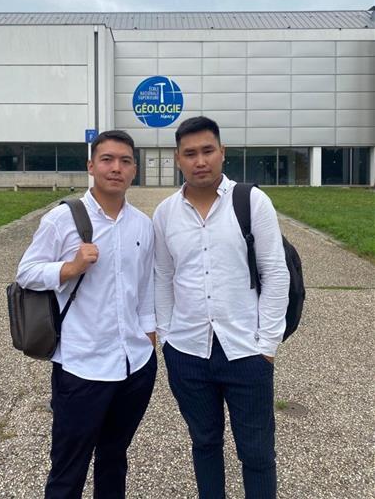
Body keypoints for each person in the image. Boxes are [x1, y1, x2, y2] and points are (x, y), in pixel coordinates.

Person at [153, 116, 289, 499]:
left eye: (207, 151)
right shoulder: (165, 213)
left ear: (222, 152)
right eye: (190, 153)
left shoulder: (252, 201)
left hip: (246, 351)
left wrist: (267, 345)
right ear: (178, 159)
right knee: (205, 443)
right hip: (188, 353)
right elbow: (162, 276)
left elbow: (276, 273)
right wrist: (167, 337)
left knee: (257, 453)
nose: (200, 161)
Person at [17, 130, 157, 499]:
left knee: (114, 458)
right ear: (91, 166)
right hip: (82, 368)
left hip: (134, 366)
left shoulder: (142, 225)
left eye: (125, 161)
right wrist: (69, 268)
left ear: (134, 170)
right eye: (107, 159)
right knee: (69, 468)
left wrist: (149, 335)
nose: (116, 168)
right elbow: (26, 273)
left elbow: (145, 286)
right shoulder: (61, 219)